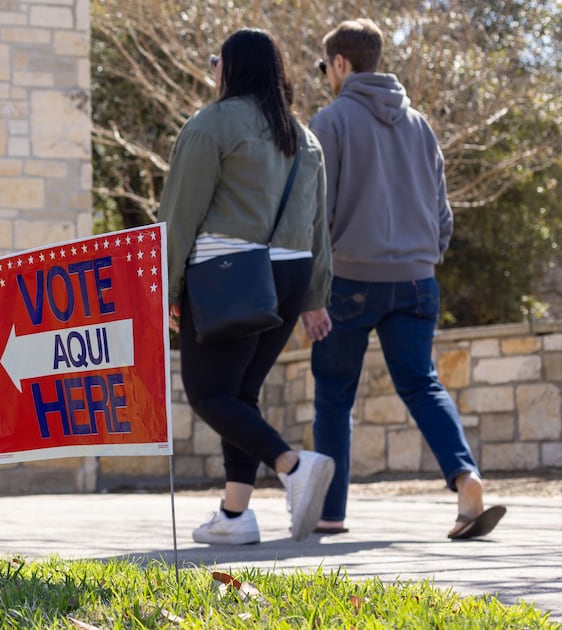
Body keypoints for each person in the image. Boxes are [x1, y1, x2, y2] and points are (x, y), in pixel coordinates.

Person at [303, 18, 506, 539]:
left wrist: (312, 288)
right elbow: (442, 214)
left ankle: (331, 513)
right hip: (418, 281)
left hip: (349, 280)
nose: (326, 76)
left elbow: (316, 214)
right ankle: (466, 478)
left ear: (341, 63)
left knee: (334, 395)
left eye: (326, 67)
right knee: (421, 383)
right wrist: (423, 258)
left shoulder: (330, 121)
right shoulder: (420, 125)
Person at [158, 29, 334, 544]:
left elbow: (179, 216)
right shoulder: (305, 138)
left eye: (217, 60)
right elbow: (319, 228)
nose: (213, 68)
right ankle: (234, 517)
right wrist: (316, 298)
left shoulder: (210, 125)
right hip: (292, 276)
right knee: (239, 394)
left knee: (209, 393)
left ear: (233, 67)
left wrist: (164, 289)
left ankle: (292, 464)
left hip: (228, 273)